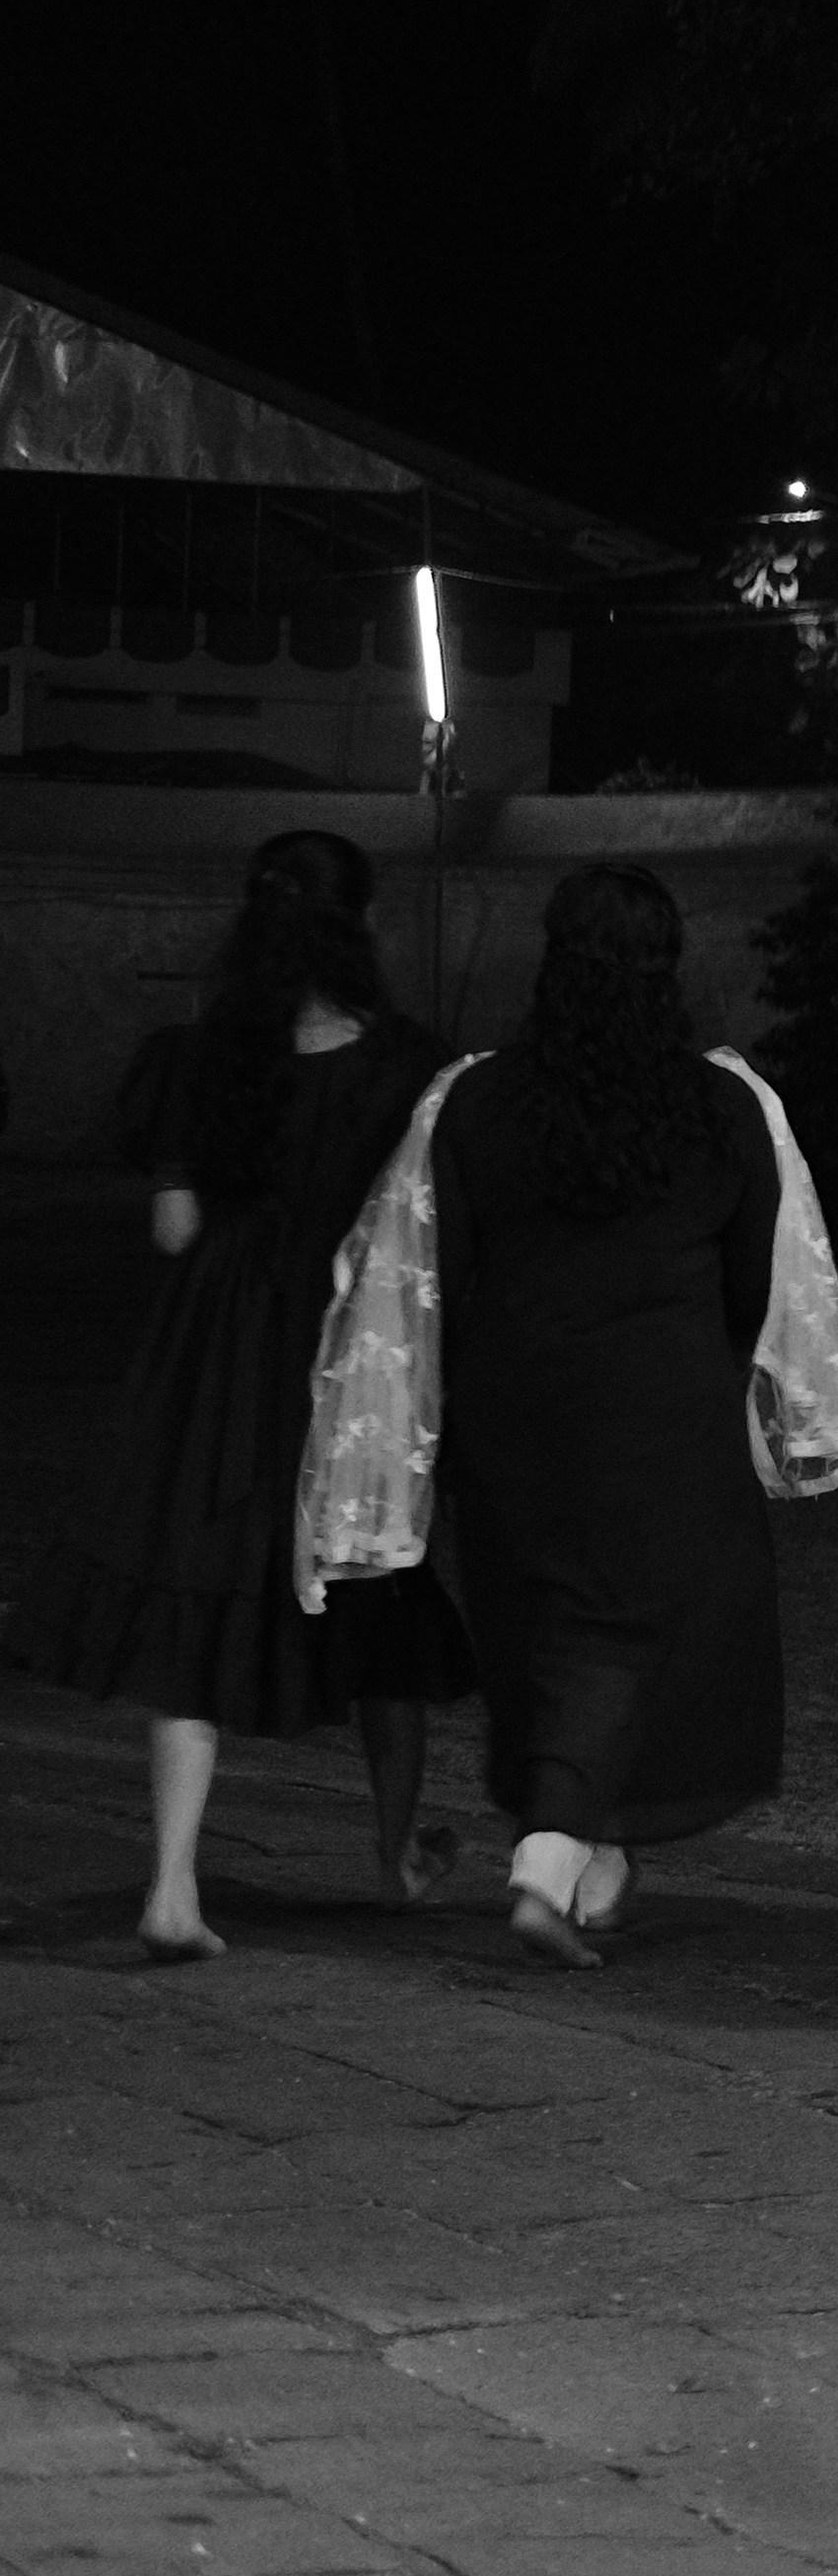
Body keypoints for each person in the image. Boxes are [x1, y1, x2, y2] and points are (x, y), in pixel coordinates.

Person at [3, 829, 474, 1955]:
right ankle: (396, 1857)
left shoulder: (209, 1053)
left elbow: (174, 1226)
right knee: (376, 1592)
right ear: (356, 924)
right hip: (346, 1346)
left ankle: (172, 1883)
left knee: (195, 1592)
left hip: (213, 1357)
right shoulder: (409, 1064)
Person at [433, 863, 794, 1968]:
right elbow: (753, 1275)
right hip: (660, 1397)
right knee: (633, 1630)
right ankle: (550, 1857)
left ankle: (592, 1858)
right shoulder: (717, 1104)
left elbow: (450, 1260)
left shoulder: (483, 1098)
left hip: (513, 1397)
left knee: (543, 1623)